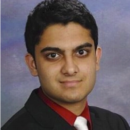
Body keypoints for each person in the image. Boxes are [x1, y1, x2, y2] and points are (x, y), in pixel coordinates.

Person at [2, 0, 130, 130]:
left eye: (81, 52)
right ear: (33, 64)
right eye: (53, 55)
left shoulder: (116, 124)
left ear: (96, 58)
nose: (70, 69)